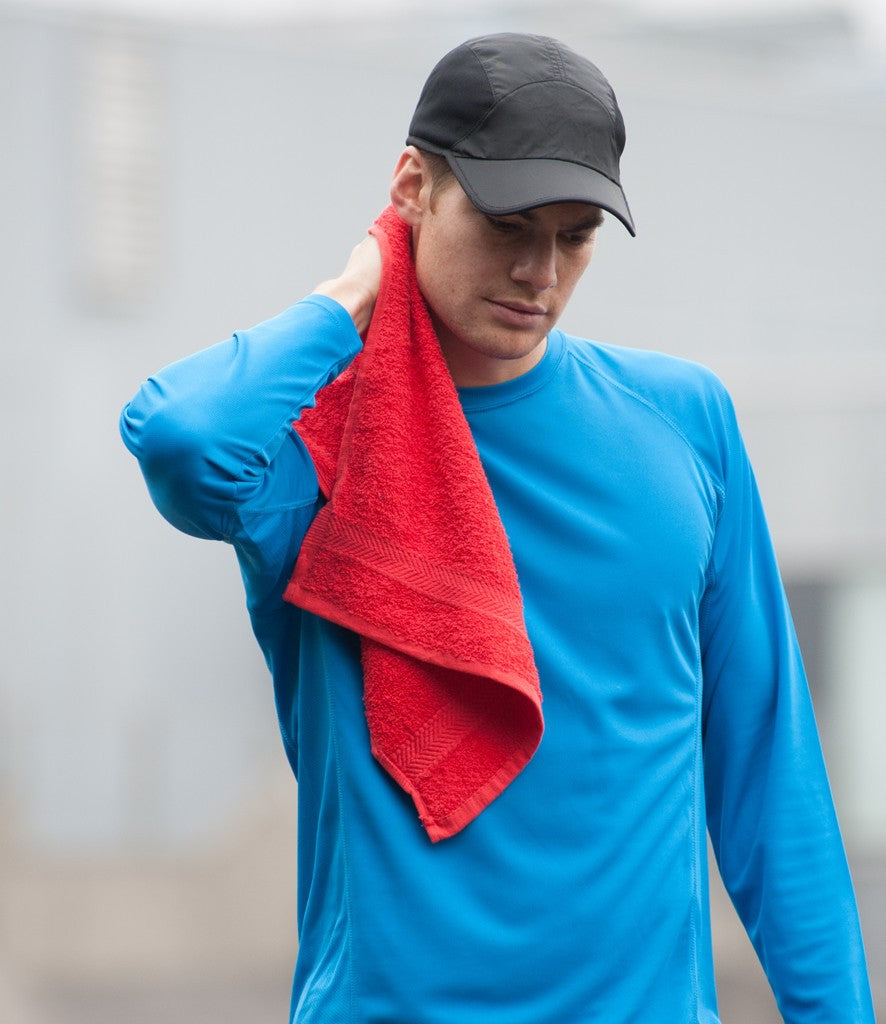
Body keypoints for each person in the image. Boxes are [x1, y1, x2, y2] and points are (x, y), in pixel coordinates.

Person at [121, 32, 875, 1024]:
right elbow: (183, 438)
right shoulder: (318, 449)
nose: (538, 270)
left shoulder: (685, 424)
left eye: (575, 236)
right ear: (413, 187)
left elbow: (768, 774)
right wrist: (359, 288)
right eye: (506, 223)